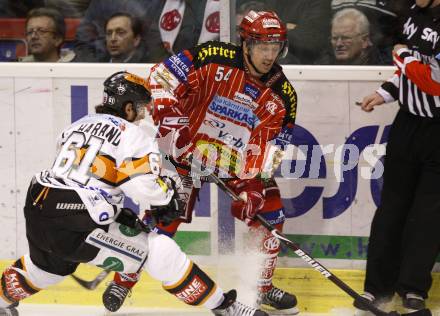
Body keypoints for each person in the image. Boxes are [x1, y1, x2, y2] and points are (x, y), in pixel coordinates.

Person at [0, 71, 267, 316]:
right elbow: (142, 186)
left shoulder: (76, 125)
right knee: (160, 251)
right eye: (139, 109)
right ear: (127, 107)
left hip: (40, 205)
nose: (141, 116)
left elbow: (90, 174)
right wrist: (168, 196)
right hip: (77, 219)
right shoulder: (134, 134)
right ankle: (224, 308)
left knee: (46, 269)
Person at [103, 10, 300, 316]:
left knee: (271, 215)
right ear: (245, 43)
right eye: (262, 47)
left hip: (233, 161)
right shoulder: (212, 55)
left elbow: (271, 150)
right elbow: (159, 77)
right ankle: (124, 280)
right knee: (161, 218)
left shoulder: (283, 96)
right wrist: (170, 114)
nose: (269, 55)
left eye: (275, 48)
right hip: (184, 151)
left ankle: (262, 289)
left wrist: (256, 186)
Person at [354, 0, 440, 315]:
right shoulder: (412, 14)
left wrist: (401, 55)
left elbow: (434, 82)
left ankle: (413, 291)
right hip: (408, 124)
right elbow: (407, 72)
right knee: (392, 206)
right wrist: (385, 92)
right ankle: (376, 288)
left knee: (428, 217)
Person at [263, 0, 331, 64]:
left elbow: (312, 37)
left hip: (304, 67)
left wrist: (275, 31)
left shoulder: (317, 2)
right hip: (269, 63)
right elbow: (260, 27)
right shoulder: (273, 2)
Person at [315, 8, 387, 65]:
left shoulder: (381, 67)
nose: (338, 44)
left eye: (346, 38)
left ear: (364, 41)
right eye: (335, 38)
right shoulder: (322, 65)